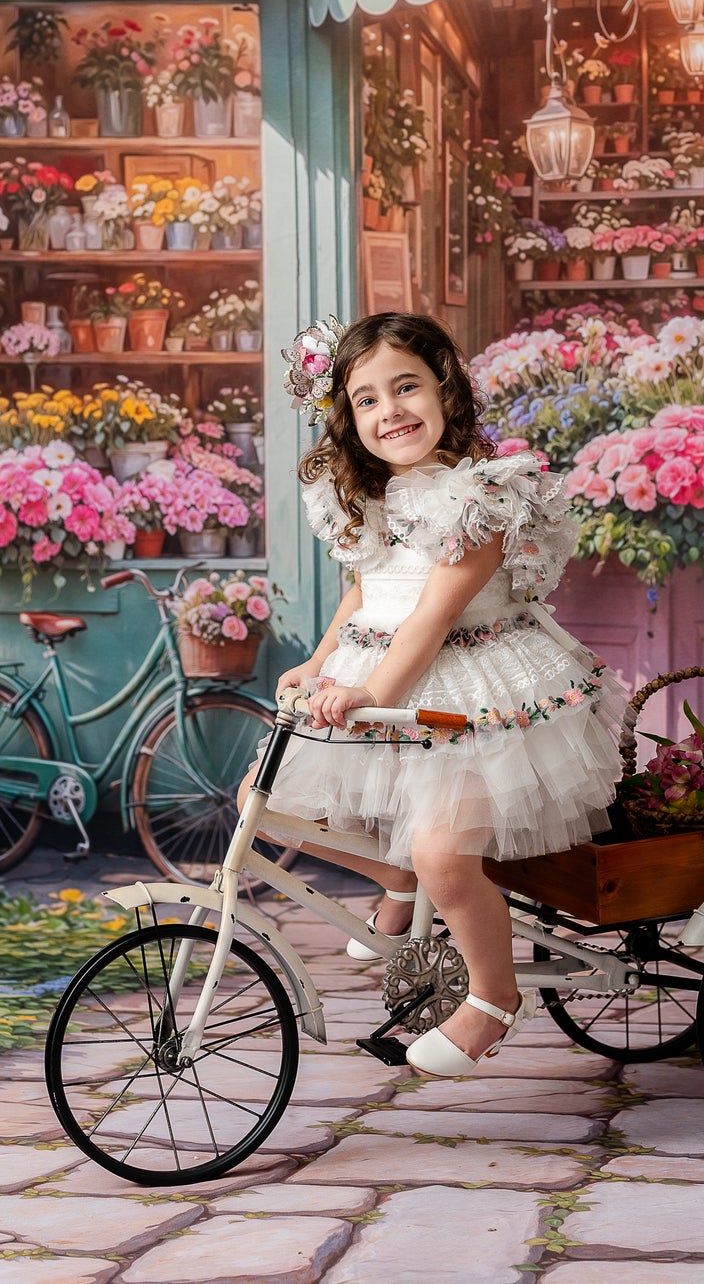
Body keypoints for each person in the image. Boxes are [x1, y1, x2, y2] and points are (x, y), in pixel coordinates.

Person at [239, 310, 624, 1076]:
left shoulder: (477, 499)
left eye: (406, 387)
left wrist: (368, 689)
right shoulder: (369, 497)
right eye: (368, 400)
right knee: (266, 798)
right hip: (384, 678)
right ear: (349, 419)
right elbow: (366, 593)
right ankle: (398, 881)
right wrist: (321, 664)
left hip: (471, 693)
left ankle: (491, 996)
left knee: (448, 857)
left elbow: (431, 616)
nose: (391, 412)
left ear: (446, 388)